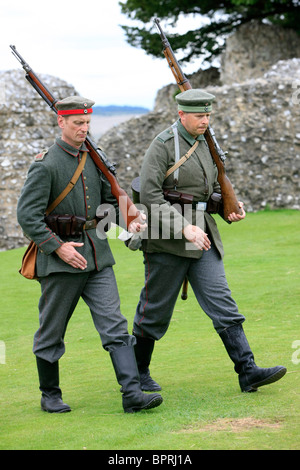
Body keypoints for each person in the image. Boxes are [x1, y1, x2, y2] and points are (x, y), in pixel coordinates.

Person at [132, 89, 287, 394]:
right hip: (166, 240)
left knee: (223, 304)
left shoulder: (206, 144)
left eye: (207, 115)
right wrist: (183, 228)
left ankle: (248, 371)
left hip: (203, 235)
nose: (205, 121)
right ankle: (137, 373)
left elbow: (206, 189)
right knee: (155, 310)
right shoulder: (163, 145)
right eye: (199, 115)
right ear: (181, 114)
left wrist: (229, 203)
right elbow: (149, 196)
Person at [17, 96, 163, 414]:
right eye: (77, 123)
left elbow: (109, 202)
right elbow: (27, 216)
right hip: (59, 262)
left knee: (114, 326)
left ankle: (132, 394)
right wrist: (58, 247)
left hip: (98, 258)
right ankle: (50, 394)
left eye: (87, 123)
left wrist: (131, 219)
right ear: (61, 122)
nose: (84, 129)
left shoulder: (94, 158)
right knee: (52, 331)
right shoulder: (45, 164)